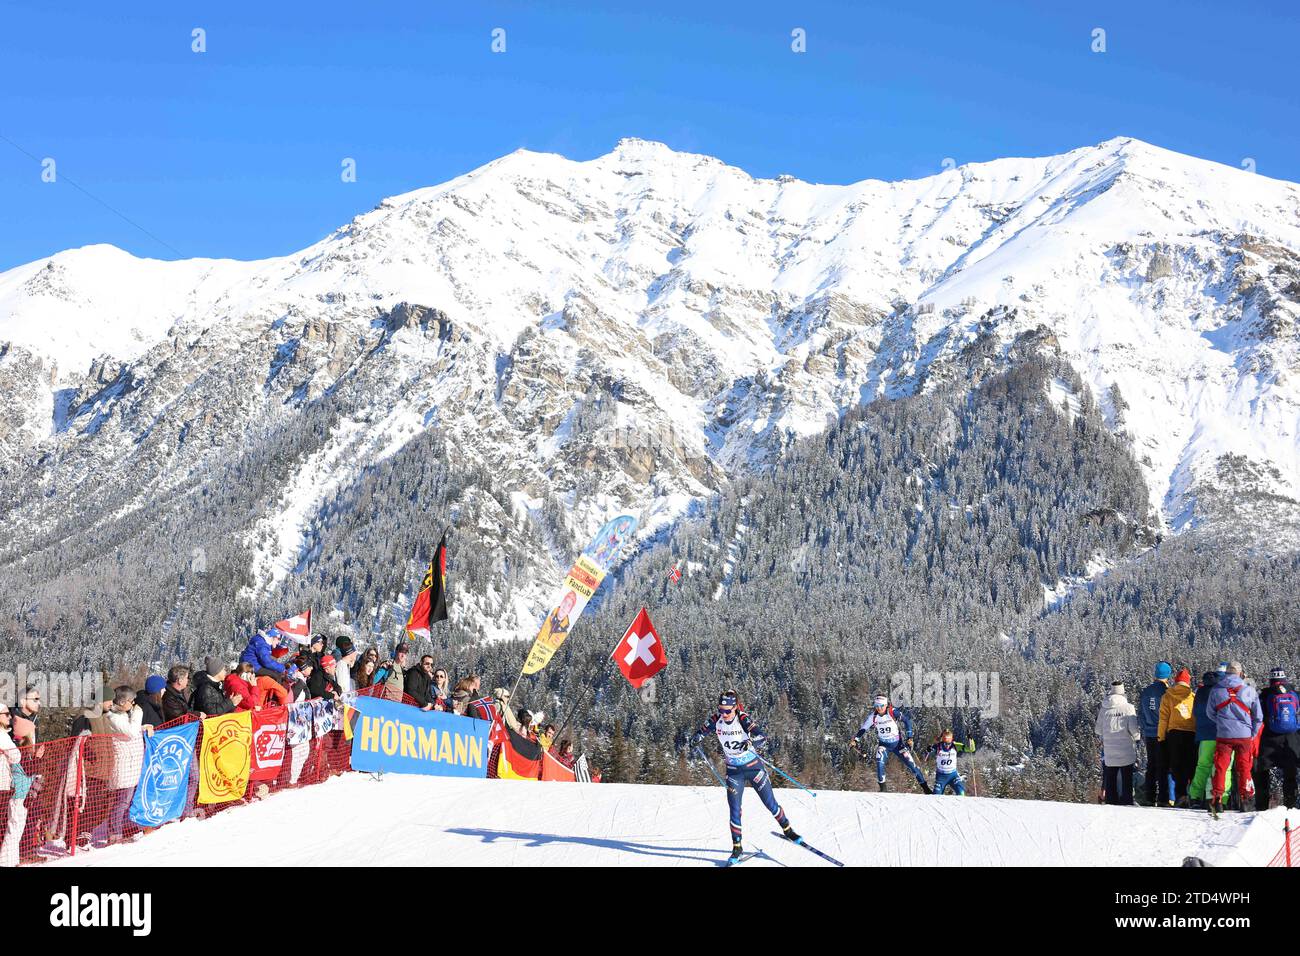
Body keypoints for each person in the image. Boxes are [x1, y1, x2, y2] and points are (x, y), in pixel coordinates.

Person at [689, 691, 801, 863]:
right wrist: (696, 738)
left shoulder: (742, 718)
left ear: (735, 708)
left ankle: (788, 829)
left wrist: (751, 742)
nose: (724, 714)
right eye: (721, 710)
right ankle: (737, 848)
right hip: (734, 771)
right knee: (734, 810)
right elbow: (701, 732)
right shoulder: (715, 719)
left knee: (770, 804)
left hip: (753, 768)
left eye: (727, 710)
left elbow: (762, 737)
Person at [1206, 662, 1264, 818]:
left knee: (1221, 766)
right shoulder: (1249, 690)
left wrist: (1221, 723)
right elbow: (1258, 717)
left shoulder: (1216, 690)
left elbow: (1209, 713)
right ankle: (1246, 800)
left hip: (1224, 735)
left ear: (1226, 673)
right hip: (1244, 736)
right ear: (1240, 673)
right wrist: (1252, 733)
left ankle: (1217, 800)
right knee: (1244, 767)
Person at [851, 694, 929, 793]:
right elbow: (863, 728)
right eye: (877, 706)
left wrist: (910, 737)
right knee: (879, 763)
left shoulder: (892, 712)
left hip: (898, 745)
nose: (879, 708)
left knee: (912, 766)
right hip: (884, 745)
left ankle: (926, 789)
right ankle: (883, 790)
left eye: (881, 706)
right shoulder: (873, 717)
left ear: (886, 705)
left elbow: (907, 721)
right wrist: (856, 739)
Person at [1254, 667, 1299, 811]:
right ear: (1285, 679)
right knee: (1290, 772)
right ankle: (1290, 805)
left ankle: (1262, 806)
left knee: (1262, 770)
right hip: (1291, 738)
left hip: (1269, 738)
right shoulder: (1295, 693)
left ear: (1271, 679)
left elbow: (1258, 715)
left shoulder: (1265, 694)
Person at [0, 703, 35, 868]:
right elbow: (15, 758)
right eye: (6, 714)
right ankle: (7, 861)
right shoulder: (4, 737)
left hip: (16, 790)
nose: (8, 717)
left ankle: (12, 860)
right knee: (12, 827)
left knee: (12, 827)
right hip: (13, 790)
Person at [1189, 671, 1232, 808]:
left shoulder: (1200, 692)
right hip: (1221, 735)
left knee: (1202, 766)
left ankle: (1195, 796)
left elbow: (1194, 712)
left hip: (1204, 736)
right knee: (1223, 768)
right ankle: (1220, 798)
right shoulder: (1221, 692)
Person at [1095, 681, 1140, 806]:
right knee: (1127, 778)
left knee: (1111, 777)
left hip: (1110, 750)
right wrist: (1137, 737)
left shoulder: (1104, 709)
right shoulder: (1128, 708)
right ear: (1123, 691)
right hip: (1126, 749)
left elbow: (1098, 730)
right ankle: (1127, 801)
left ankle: (1111, 802)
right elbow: (1134, 729)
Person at [1158, 668, 1197, 806]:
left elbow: (1163, 719)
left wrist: (1161, 737)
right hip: (1191, 733)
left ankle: (1180, 795)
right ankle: (1193, 796)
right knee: (1191, 765)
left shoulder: (1167, 696)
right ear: (1188, 682)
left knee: (1176, 766)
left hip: (1174, 734)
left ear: (1175, 681)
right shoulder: (1192, 697)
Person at [1139, 662, 1173, 807]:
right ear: (1168, 675)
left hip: (1149, 733)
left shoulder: (1146, 691)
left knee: (1151, 764)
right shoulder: (1167, 692)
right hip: (1162, 733)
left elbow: (1140, 714)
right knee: (1163, 765)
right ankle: (1163, 798)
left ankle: (1149, 796)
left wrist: (1145, 727)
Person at [924, 729, 976, 795]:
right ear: (942, 740)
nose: (947, 746)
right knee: (936, 796)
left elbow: (971, 749)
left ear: (952, 739)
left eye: (949, 743)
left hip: (953, 775)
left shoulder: (955, 745)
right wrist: (928, 750)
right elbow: (926, 756)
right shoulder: (938, 746)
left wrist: (970, 739)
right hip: (941, 777)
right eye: (945, 743)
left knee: (961, 793)